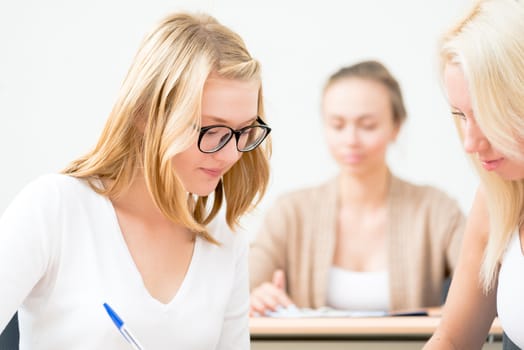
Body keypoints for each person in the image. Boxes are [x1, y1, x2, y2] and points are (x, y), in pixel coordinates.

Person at [0, 12, 271, 349]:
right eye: (211, 130)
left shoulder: (222, 234)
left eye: (243, 131)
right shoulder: (55, 208)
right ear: (145, 115)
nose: (231, 154)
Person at [249, 60, 465, 316]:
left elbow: (485, 290)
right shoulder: (290, 212)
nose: (351, 140)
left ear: (396, 126)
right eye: (337, 125)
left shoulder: (436, 209)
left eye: (367, 126)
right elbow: (240, 292)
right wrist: (256, 298)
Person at [424, 0, 524, 348]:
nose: (470, 142)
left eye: (485, 112)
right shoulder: (499, 198)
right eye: (461, 115)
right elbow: (452, 340)